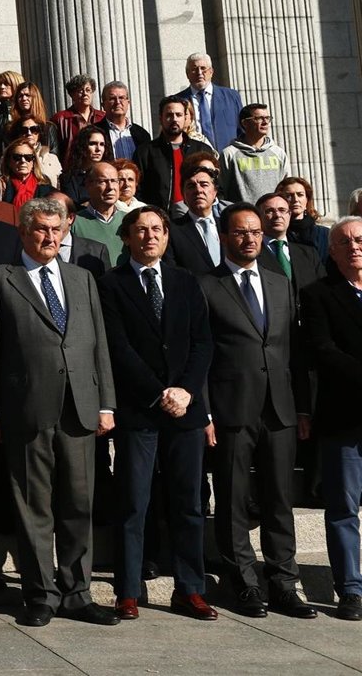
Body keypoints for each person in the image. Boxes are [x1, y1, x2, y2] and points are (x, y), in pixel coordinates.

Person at [0, 196, 119, 628]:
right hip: (26, 412)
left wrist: (106, 403)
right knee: (33, 506)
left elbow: (99, 347)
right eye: (41, 229)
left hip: (80, 408)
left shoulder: (82, 279)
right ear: (23, 232)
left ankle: (77, 592)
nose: (50, 237)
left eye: (57, 230)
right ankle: (40, 594)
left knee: (79, 503)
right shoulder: (1, 280)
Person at [97, 205, 217, 622]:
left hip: (185, 411)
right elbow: (118, 348)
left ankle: (190, 589)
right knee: (134, 503)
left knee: (188, 503)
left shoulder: (186, 281)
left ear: (167, 237)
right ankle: (127, 590)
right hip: (140, 411)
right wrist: (158, 392)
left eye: (157, 230)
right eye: (141, 230)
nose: (149, 236)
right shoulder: (111, 285)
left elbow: (203, 343)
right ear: (126, 237)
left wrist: (184, 391)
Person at [198, 203, 316, 620]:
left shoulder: (280, 283)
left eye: (256, 232)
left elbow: (293, 352)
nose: (250, 238)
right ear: (225, 236)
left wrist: (302, 407)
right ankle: (244, 584)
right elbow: (202, 354)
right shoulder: (206, 286)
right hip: (232, 408)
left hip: (280, 408)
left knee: (280, 499)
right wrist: (206, 412)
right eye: (241, 232)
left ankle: (284, 583)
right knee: (232, 499)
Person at [298, 217, 362, 622]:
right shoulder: (318, 295)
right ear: (332, 251)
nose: (354, 246)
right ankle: (351, 589)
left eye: (360, 240)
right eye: (344, 241)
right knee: (343, 508)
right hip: (345, 417)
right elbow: (323, 350)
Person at [132, 96, 215, 212]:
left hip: (197, 214)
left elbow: (216, 184)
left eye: (179, 115)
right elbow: (137, 189)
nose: (174, 119)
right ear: (161, 118)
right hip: (160, 217)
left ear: (186, 118)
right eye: (169, 115)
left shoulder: (202, 150)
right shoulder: (145, 152)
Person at [255, 192, 324, 299]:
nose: (277, 215)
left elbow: (323, 290)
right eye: (269, 211)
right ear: (258, 217)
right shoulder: (251, 255)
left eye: (282, 210)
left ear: (289, 214)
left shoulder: (309, 254)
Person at [219, 104, 288, 204]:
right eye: (259, 118)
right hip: (242, 216)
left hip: (273, 215)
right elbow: (221, 188)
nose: (265, 122)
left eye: (267, 118)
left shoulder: (278, 153)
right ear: (245, 123)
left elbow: (286, 186)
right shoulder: (229, 154)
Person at [175, 52, 243, 152]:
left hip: (227, 158)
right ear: (187, 74)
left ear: (211, 71)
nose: (199, 72)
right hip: (193, 158)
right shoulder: (178, 101)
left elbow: (242, 129)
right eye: (194, 69)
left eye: (203, 68)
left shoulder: (231, 97)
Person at [165, 163, 224, 275]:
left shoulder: (228, 225)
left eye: (204, 185)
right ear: (183, 194)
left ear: (215, 191)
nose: (198, 190)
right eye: (191, 186)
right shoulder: (172, 231)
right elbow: (172, 270)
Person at [70, 162, 126, 266]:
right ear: (88, 185)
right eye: (102, 181)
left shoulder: (129, 220)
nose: (110, 187)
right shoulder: (74, 223)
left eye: (114, 181)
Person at [52, 74, 105, 163]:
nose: (85, 94)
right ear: (72, 95)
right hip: (71, 170)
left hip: (98, 170)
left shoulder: (102, 117)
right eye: (80, 91)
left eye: (88, 90)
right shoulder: (60, 119)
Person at [0, 137, 54, 214]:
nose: (23, 161)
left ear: (33, 162)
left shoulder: (44, 183)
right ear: (9, 161)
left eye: (28, 157)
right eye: (17, 157)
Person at [277, 175, 330, 261]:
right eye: (289, 195)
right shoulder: (276, 234)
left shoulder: (324, 234)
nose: (295, 199)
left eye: (300, 195)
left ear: (307, 200)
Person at [59, 124, 113, 205]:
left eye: (102, 144)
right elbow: (72, 208)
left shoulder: (112, 174)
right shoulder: (69, 178)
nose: (98, 149)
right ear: (82, 146)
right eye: (92, 144)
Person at [94, 81, 150, 160]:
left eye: (121, 98)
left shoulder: (142, 134)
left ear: (128, 103)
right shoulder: (94, 132)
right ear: (103, 105)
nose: (117, 102)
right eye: (112, 98)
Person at [9, 82, 60, 154]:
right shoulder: (12, 129)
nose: (24, 98)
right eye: (20, 96)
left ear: (35, 98)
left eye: (27, 95)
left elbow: (53, 156)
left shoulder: (48, 128)